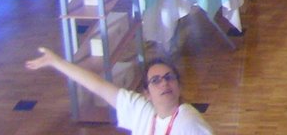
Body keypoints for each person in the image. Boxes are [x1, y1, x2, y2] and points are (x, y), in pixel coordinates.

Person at [25, 47, 212, 135]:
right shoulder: (141, 109)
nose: (164, 83)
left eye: (169, 77)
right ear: (146, 93)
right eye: (156, 80)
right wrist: (57, 62)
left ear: (179, 85)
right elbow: (98, 85)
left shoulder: (189, 122)